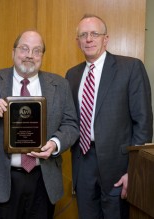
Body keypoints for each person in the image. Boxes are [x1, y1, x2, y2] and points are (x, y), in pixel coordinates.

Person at [0, 30, 79, 219]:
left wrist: (55, 144)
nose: (29, 55)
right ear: (13, 52)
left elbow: (71, 125)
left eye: (37, 51)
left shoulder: (60, 85)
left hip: (43, 180)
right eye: (24, 48)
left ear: (42, 56)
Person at [65, 14, 153, 219]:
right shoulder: (72, 75)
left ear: (106, 38)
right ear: (77, 41)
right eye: (83, 35)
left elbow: (143, 123)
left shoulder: (130, 68)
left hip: (118, 166)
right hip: (83, 162)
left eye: (94, 34)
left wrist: (135, 170)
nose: (89, 39)